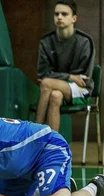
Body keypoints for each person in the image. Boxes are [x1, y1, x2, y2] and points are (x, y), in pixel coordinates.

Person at [35, 0, 95, 131]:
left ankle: (34, 133)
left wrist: (61, 78)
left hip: (82, 92)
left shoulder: (85, 42)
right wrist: (70, 77)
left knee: (46, 83)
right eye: (56, 14)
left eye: (64, 14)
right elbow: (42, 72)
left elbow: (83, 79)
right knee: (55, 95)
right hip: (57, 87)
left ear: (74, 18)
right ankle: (54, 146)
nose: (59, 17)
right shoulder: (46, 42)